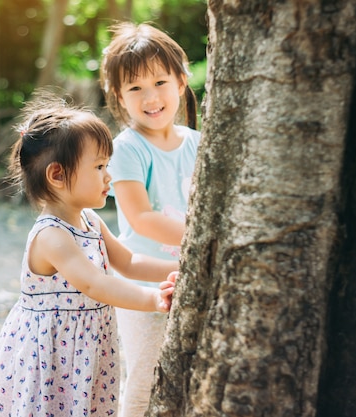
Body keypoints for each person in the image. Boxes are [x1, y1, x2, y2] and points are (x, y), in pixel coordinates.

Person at [0, 91, 178, 417]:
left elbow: (129, 262)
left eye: (106, 165)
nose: (108, 176)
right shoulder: (52, 236)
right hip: (52, 356)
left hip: (85, 350)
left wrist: (181, 267)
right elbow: (96, 285)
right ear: (57, 175)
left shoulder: (91, 221)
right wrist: (153, 301)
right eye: (98, 166)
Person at [99, 22, 200, 417]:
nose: (150, 97)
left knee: (192, 372)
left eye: (159, 81)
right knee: (145, 376)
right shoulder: (127, 148)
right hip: (144, 284)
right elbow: (140, 217)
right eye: (135, 87)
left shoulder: (198, 142)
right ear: (119, 97)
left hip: (192, 277)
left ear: (180, 80)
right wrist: (201, 239)